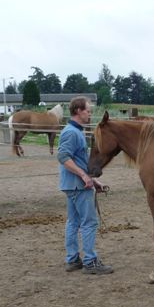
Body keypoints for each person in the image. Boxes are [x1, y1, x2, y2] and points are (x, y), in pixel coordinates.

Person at [57, 96, 113, 275]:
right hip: (78, 186)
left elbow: (77, 161)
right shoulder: (71, 133)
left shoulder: (74, 131)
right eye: (87, 110)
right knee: (89, 222)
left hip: (73, 184)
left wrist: (93, 180)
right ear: (78, 111)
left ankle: (73, 259)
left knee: (73, 222)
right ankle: (90, 261)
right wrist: (83, 176)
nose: (89, 113)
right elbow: (63, 157)